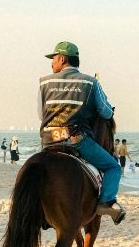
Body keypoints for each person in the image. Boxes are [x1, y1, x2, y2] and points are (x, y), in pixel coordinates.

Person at [38, 41, 124, 224]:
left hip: (47, 141)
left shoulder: (43, 82)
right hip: (76, 140)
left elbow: (40, 113)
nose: (51, 63)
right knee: (113, 167)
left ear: (62, 58)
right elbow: (105, 112)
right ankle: (106, 203)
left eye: (53, 58)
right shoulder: (90, 82)